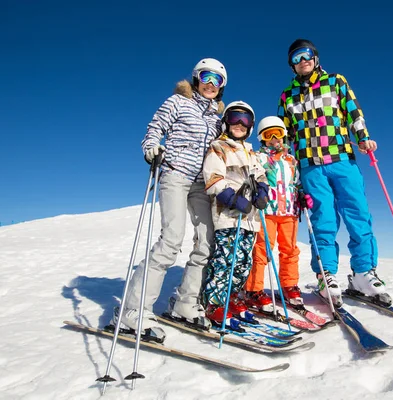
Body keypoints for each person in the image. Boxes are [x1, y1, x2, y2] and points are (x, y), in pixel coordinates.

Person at [112, 58, 228, 339]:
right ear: (196, 78)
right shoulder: (177, 102)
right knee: (171, 240)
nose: (211, 83)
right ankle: (132, 310)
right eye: (206, 76)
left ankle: (185, 304)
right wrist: (151, 147)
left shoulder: (217, 118)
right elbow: (155, 128)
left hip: (202, 184)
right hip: (175, 174)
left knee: (206, 243)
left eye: (218, 79)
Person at [277, 39, 391, 307]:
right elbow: (284, 134)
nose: (302, 61)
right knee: (323, 220)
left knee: (358, 214)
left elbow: (353, 112)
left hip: (341, 159)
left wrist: (363, 137)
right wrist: (280, 161)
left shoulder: (335, 81)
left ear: (315, 57)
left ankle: (363, 273)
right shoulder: (287, 95)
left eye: (306, 55)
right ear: (292, 65)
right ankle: (325, 274)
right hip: (309, 166)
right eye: (296, 58)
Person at [201, 101, 269, 328]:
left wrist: (263, 191)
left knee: (242, 262)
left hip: (250, 219)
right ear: (226, 121)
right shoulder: (218, 147)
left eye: (245, 120)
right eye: (234, 118)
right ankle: (214, 304)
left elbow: (260, 176)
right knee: (225, 261)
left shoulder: (251, 151)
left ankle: (233, 298)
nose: (239, 124)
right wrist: (232, 198)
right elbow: (213, 179)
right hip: (228, 216)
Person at [242, 116, 314, 312]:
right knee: (262, 249)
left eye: (278, 134)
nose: (274, 139)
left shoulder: (291, 160)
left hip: (289, 211)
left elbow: (297, 182)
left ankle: (289, 286)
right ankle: (253, 289)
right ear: (262, 138)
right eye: (268, 135)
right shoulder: (259, 157)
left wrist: (301, 195)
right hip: (267, 211)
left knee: (290, 250)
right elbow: (254, 177)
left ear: (284, 136)